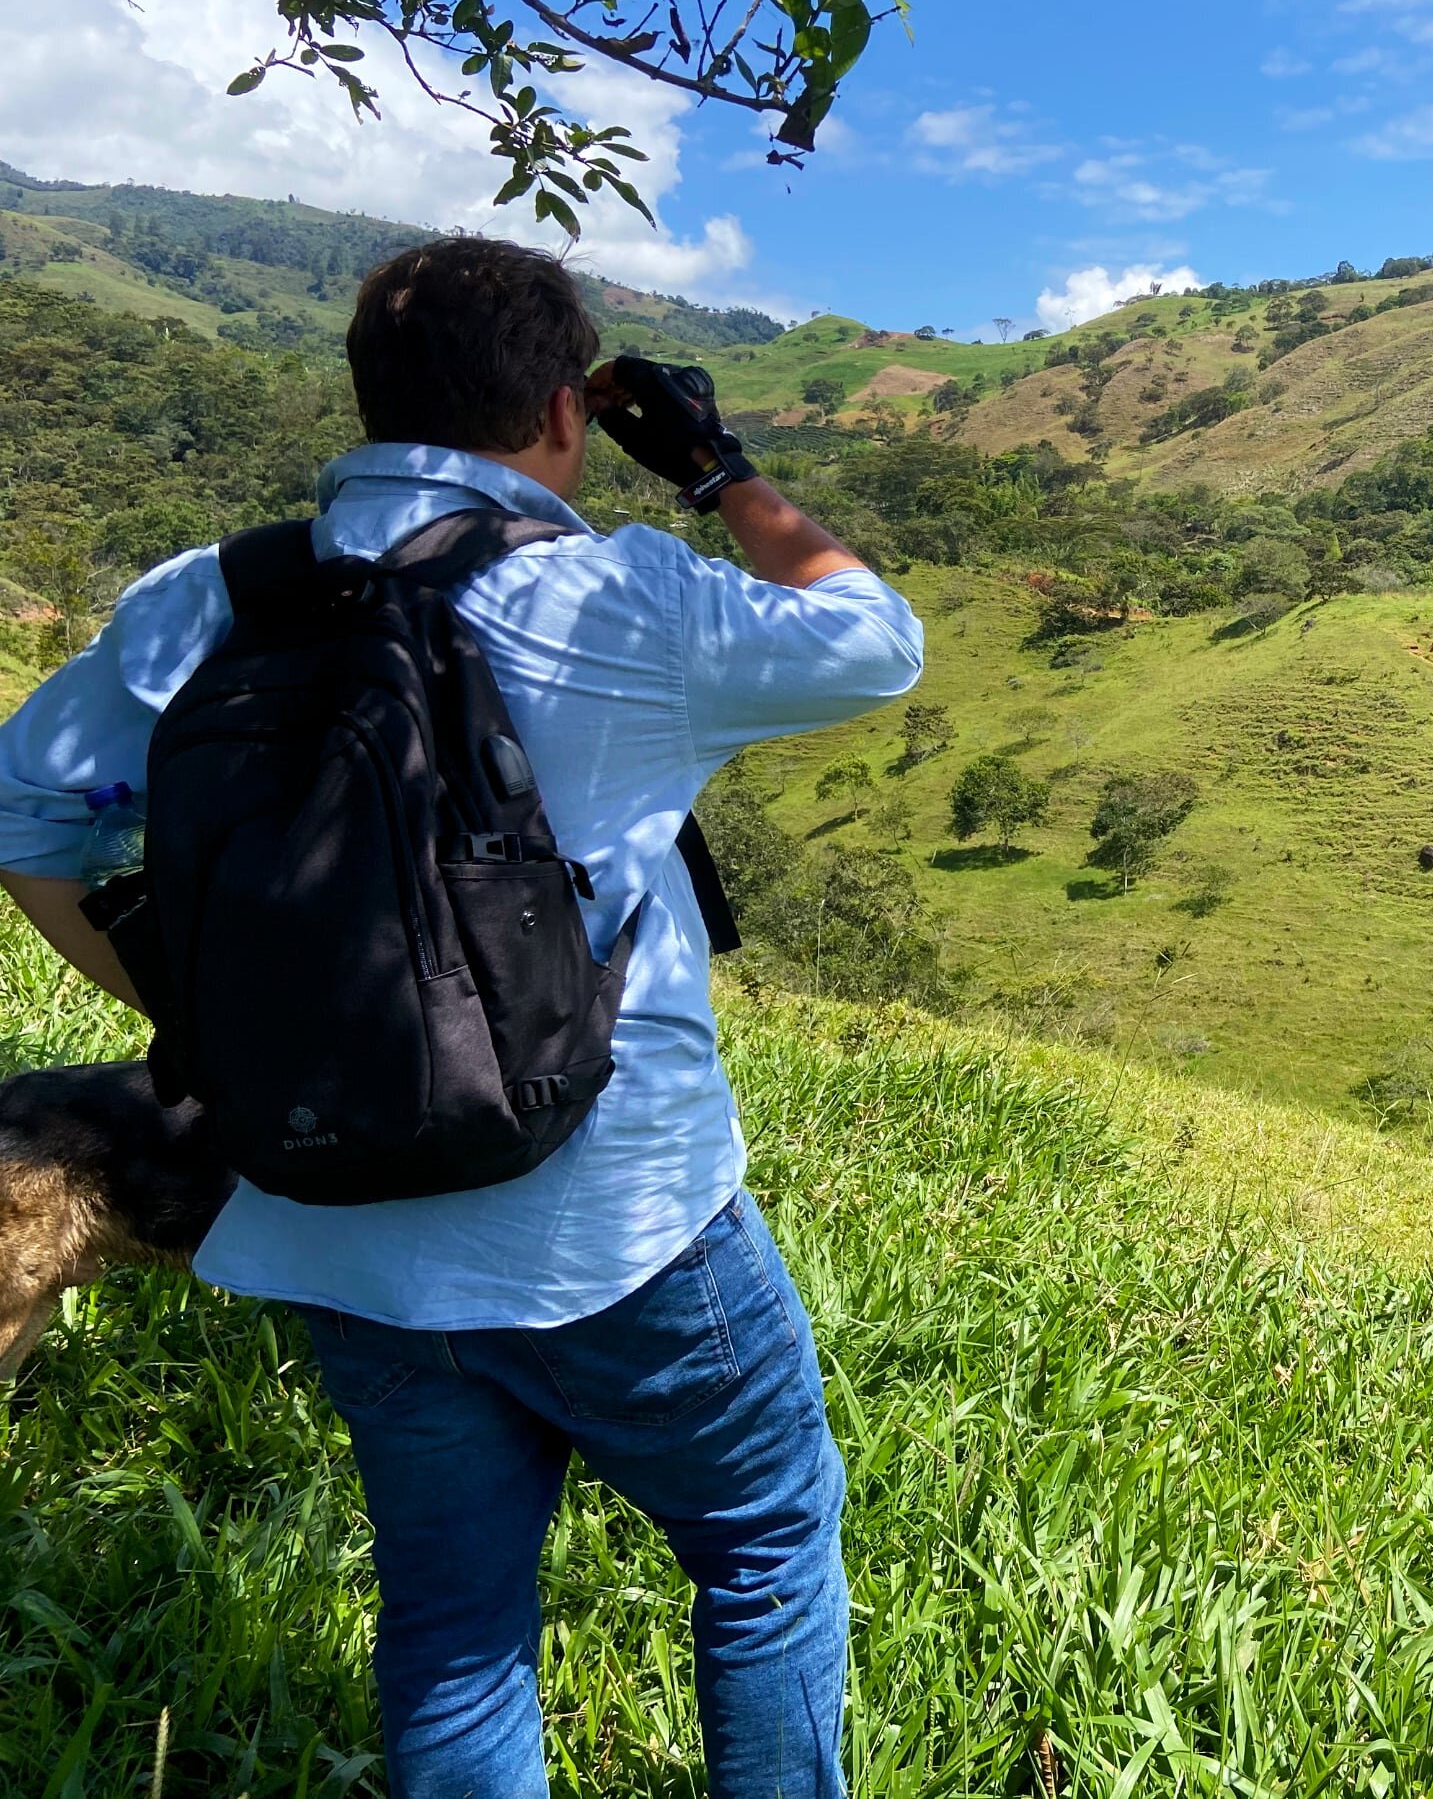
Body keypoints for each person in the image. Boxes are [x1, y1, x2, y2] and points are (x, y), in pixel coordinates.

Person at [0, 237, 922, 1797]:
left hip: (330, 1218)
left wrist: (215, 1020)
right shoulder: (619, 595)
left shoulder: (205, 601)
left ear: (366, 395)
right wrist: (719, 474)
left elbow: (29, 826)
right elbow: (876, 636)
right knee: (764, 1549)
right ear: (567, 410)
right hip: (618, 1218)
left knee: (453, 1623)